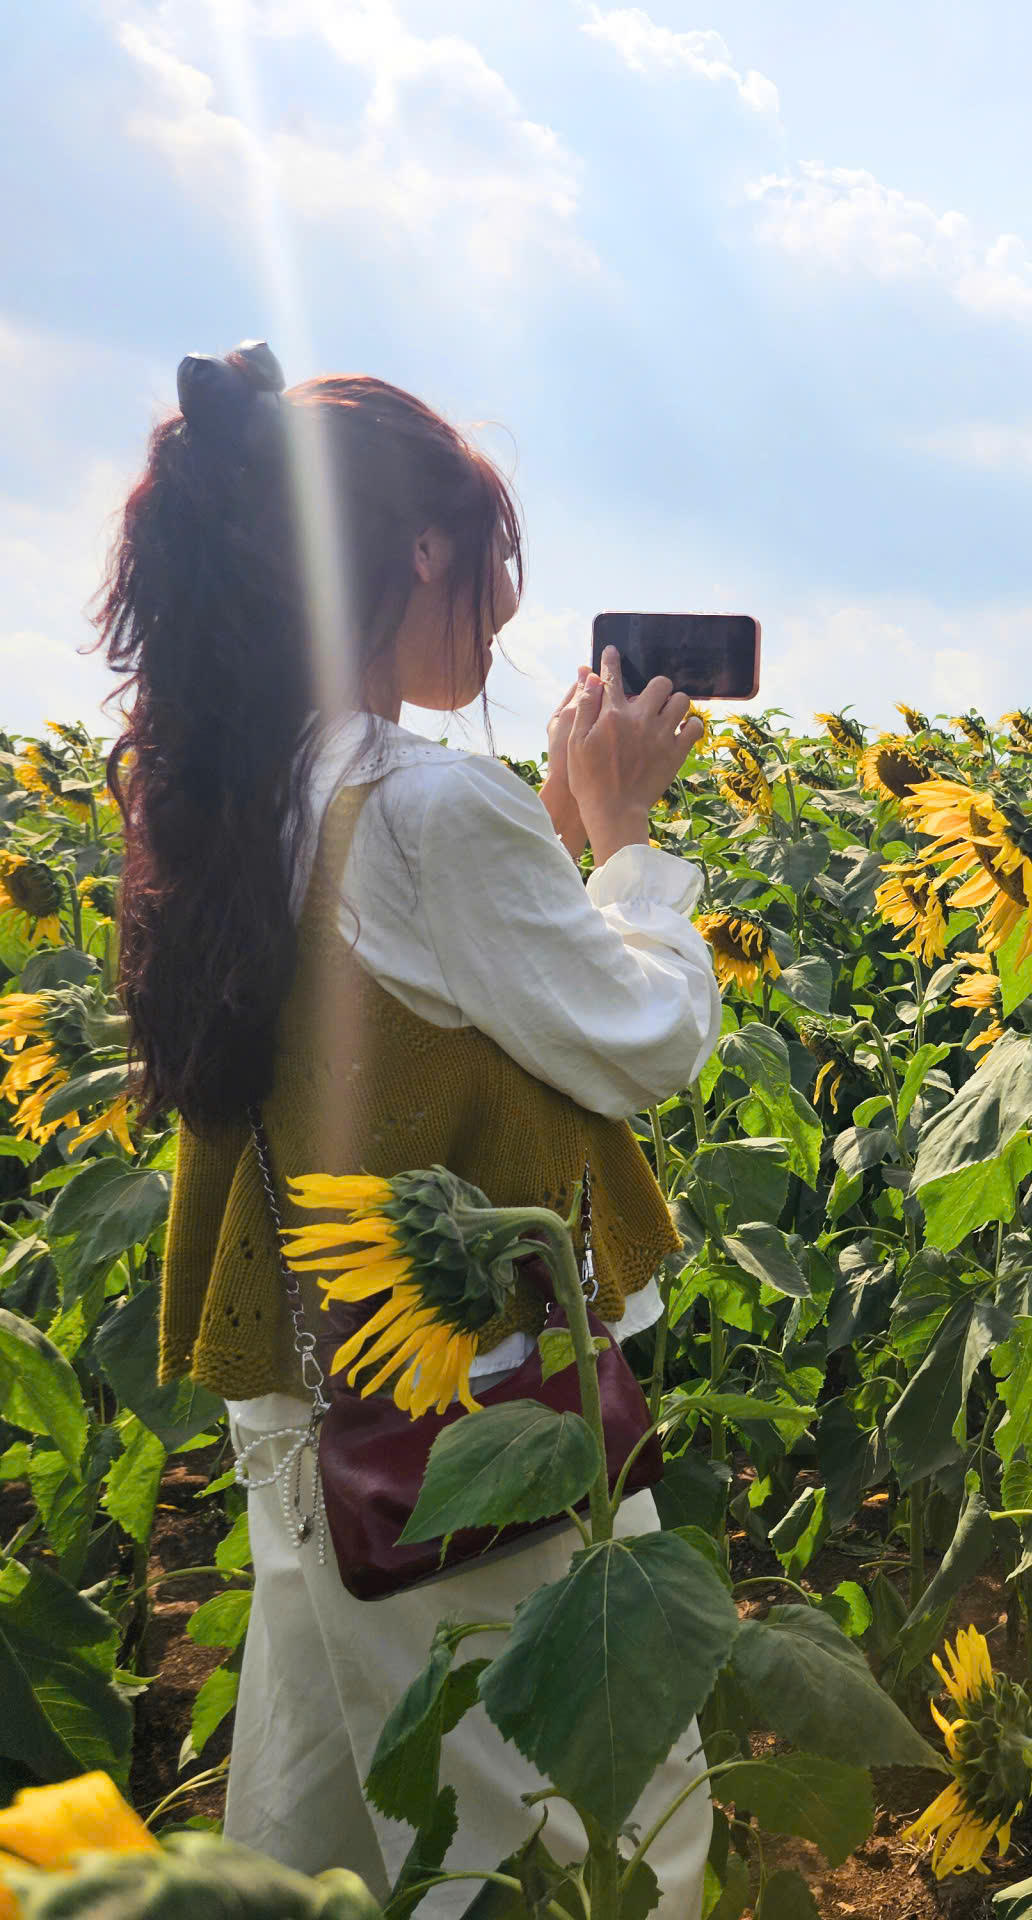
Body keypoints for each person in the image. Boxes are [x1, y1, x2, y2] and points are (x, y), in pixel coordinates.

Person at [106, 345, 717, 1916]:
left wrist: (562, 841)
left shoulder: (253, 793)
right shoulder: (433, 808)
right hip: (473, 1409)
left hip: (317, 1415)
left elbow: (435, 994)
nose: (508, 610)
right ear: (426, 548)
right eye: (495, 560)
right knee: (582, 1837)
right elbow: (645, 1040)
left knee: (325, 1824)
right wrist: (633, 850)